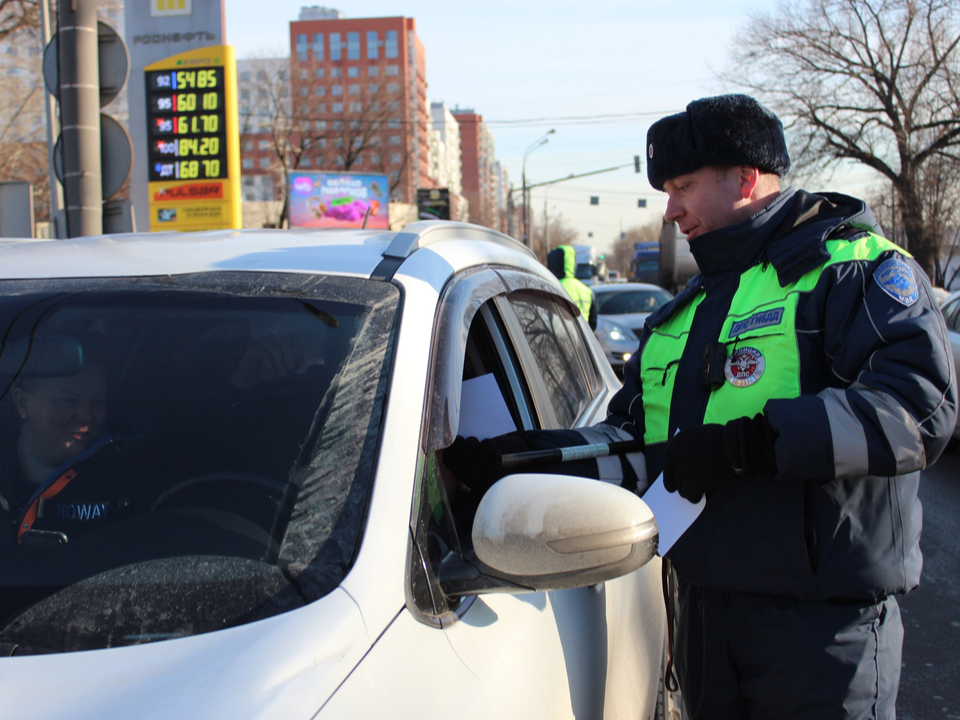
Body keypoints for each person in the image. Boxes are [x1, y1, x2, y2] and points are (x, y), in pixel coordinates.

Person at [443, 94, 957, 719]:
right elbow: (637, 450)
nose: (670, 209)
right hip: (703, 615)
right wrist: (513, 464)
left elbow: (918, 410)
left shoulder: (853, 272)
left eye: (683, 186)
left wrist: (749, 445)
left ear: (745, 179)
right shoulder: (684, 315)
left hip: (820, 626)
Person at [0, 334, 153, 544]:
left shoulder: (128, 477)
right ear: (22, 403)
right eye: (67, 401)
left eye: (98, 402)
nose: (86, 415)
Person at [547, 244, 598, 330]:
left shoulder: (552, 288)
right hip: (583, 339)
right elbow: (593, 323)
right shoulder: (587, 291)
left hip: (559, 338)